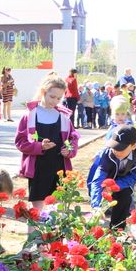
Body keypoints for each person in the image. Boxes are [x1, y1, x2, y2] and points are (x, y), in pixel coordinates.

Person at [15, 73, 80, 225]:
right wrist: (39, 146)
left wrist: (69, 150)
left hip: (59, 167)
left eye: (59, 98)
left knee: (56, 208)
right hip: (38, 168)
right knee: (37, 210)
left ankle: (54, 245)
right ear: (43, 92)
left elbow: (73, 138)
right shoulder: (30, 115)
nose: (55, 101)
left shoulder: (63, 116)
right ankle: (36, 242)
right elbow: (20, 142)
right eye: (52, 97)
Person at [89, 125, 136, 230]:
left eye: (121, 148)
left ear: (133, 146)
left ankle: (117, 231)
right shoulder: (107, 154)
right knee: (98, 207)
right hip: (105, 178)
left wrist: (115, 186)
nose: (116, 151)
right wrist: (96, 206)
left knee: (125, 197)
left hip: (123, 181)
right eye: (114, 147)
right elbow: (97, 180)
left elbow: (134, 176)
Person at [87, 96, 132, 200]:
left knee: (123, 181)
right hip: (109, 157)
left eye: (123, 114)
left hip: (123, 159)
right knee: (100, 177)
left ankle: (127, 204)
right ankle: (102, 202)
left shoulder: (128, 128)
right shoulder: (112, 127)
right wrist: (98, 154)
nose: (120, 117)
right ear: (112, 114)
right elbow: (107, 144)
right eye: (117, 114)